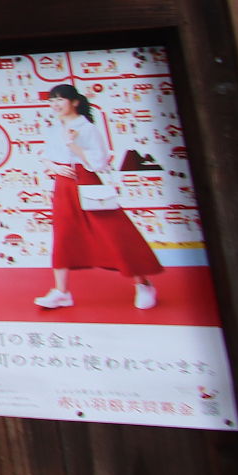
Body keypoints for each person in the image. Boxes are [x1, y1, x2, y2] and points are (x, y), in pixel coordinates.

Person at [33, 83, 162, 310]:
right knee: (63, 236)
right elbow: (44, 154)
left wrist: (73, 145)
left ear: (75, 102)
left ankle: (143, 283)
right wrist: (53, 165)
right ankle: (61, 292)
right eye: (52, 101)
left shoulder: (87, 128)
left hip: (87, 181)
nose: (55, 105)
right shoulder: (54, 127)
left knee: (114, 234)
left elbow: (99, 163)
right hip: (63, 185)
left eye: (60, 100)